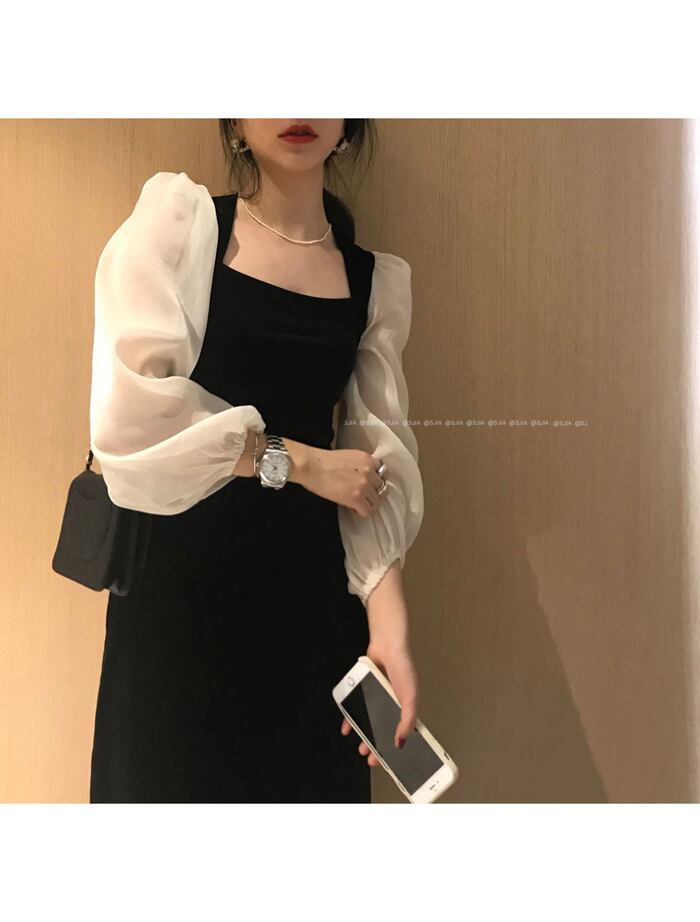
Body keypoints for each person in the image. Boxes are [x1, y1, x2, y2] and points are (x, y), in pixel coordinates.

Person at [88, 118, 424, 803]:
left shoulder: (372, 283)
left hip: (310, 614)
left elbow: (372, 471)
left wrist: (389, 630)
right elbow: (131, 423)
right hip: (177, 608)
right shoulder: (180, 230)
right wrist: (300, 461)